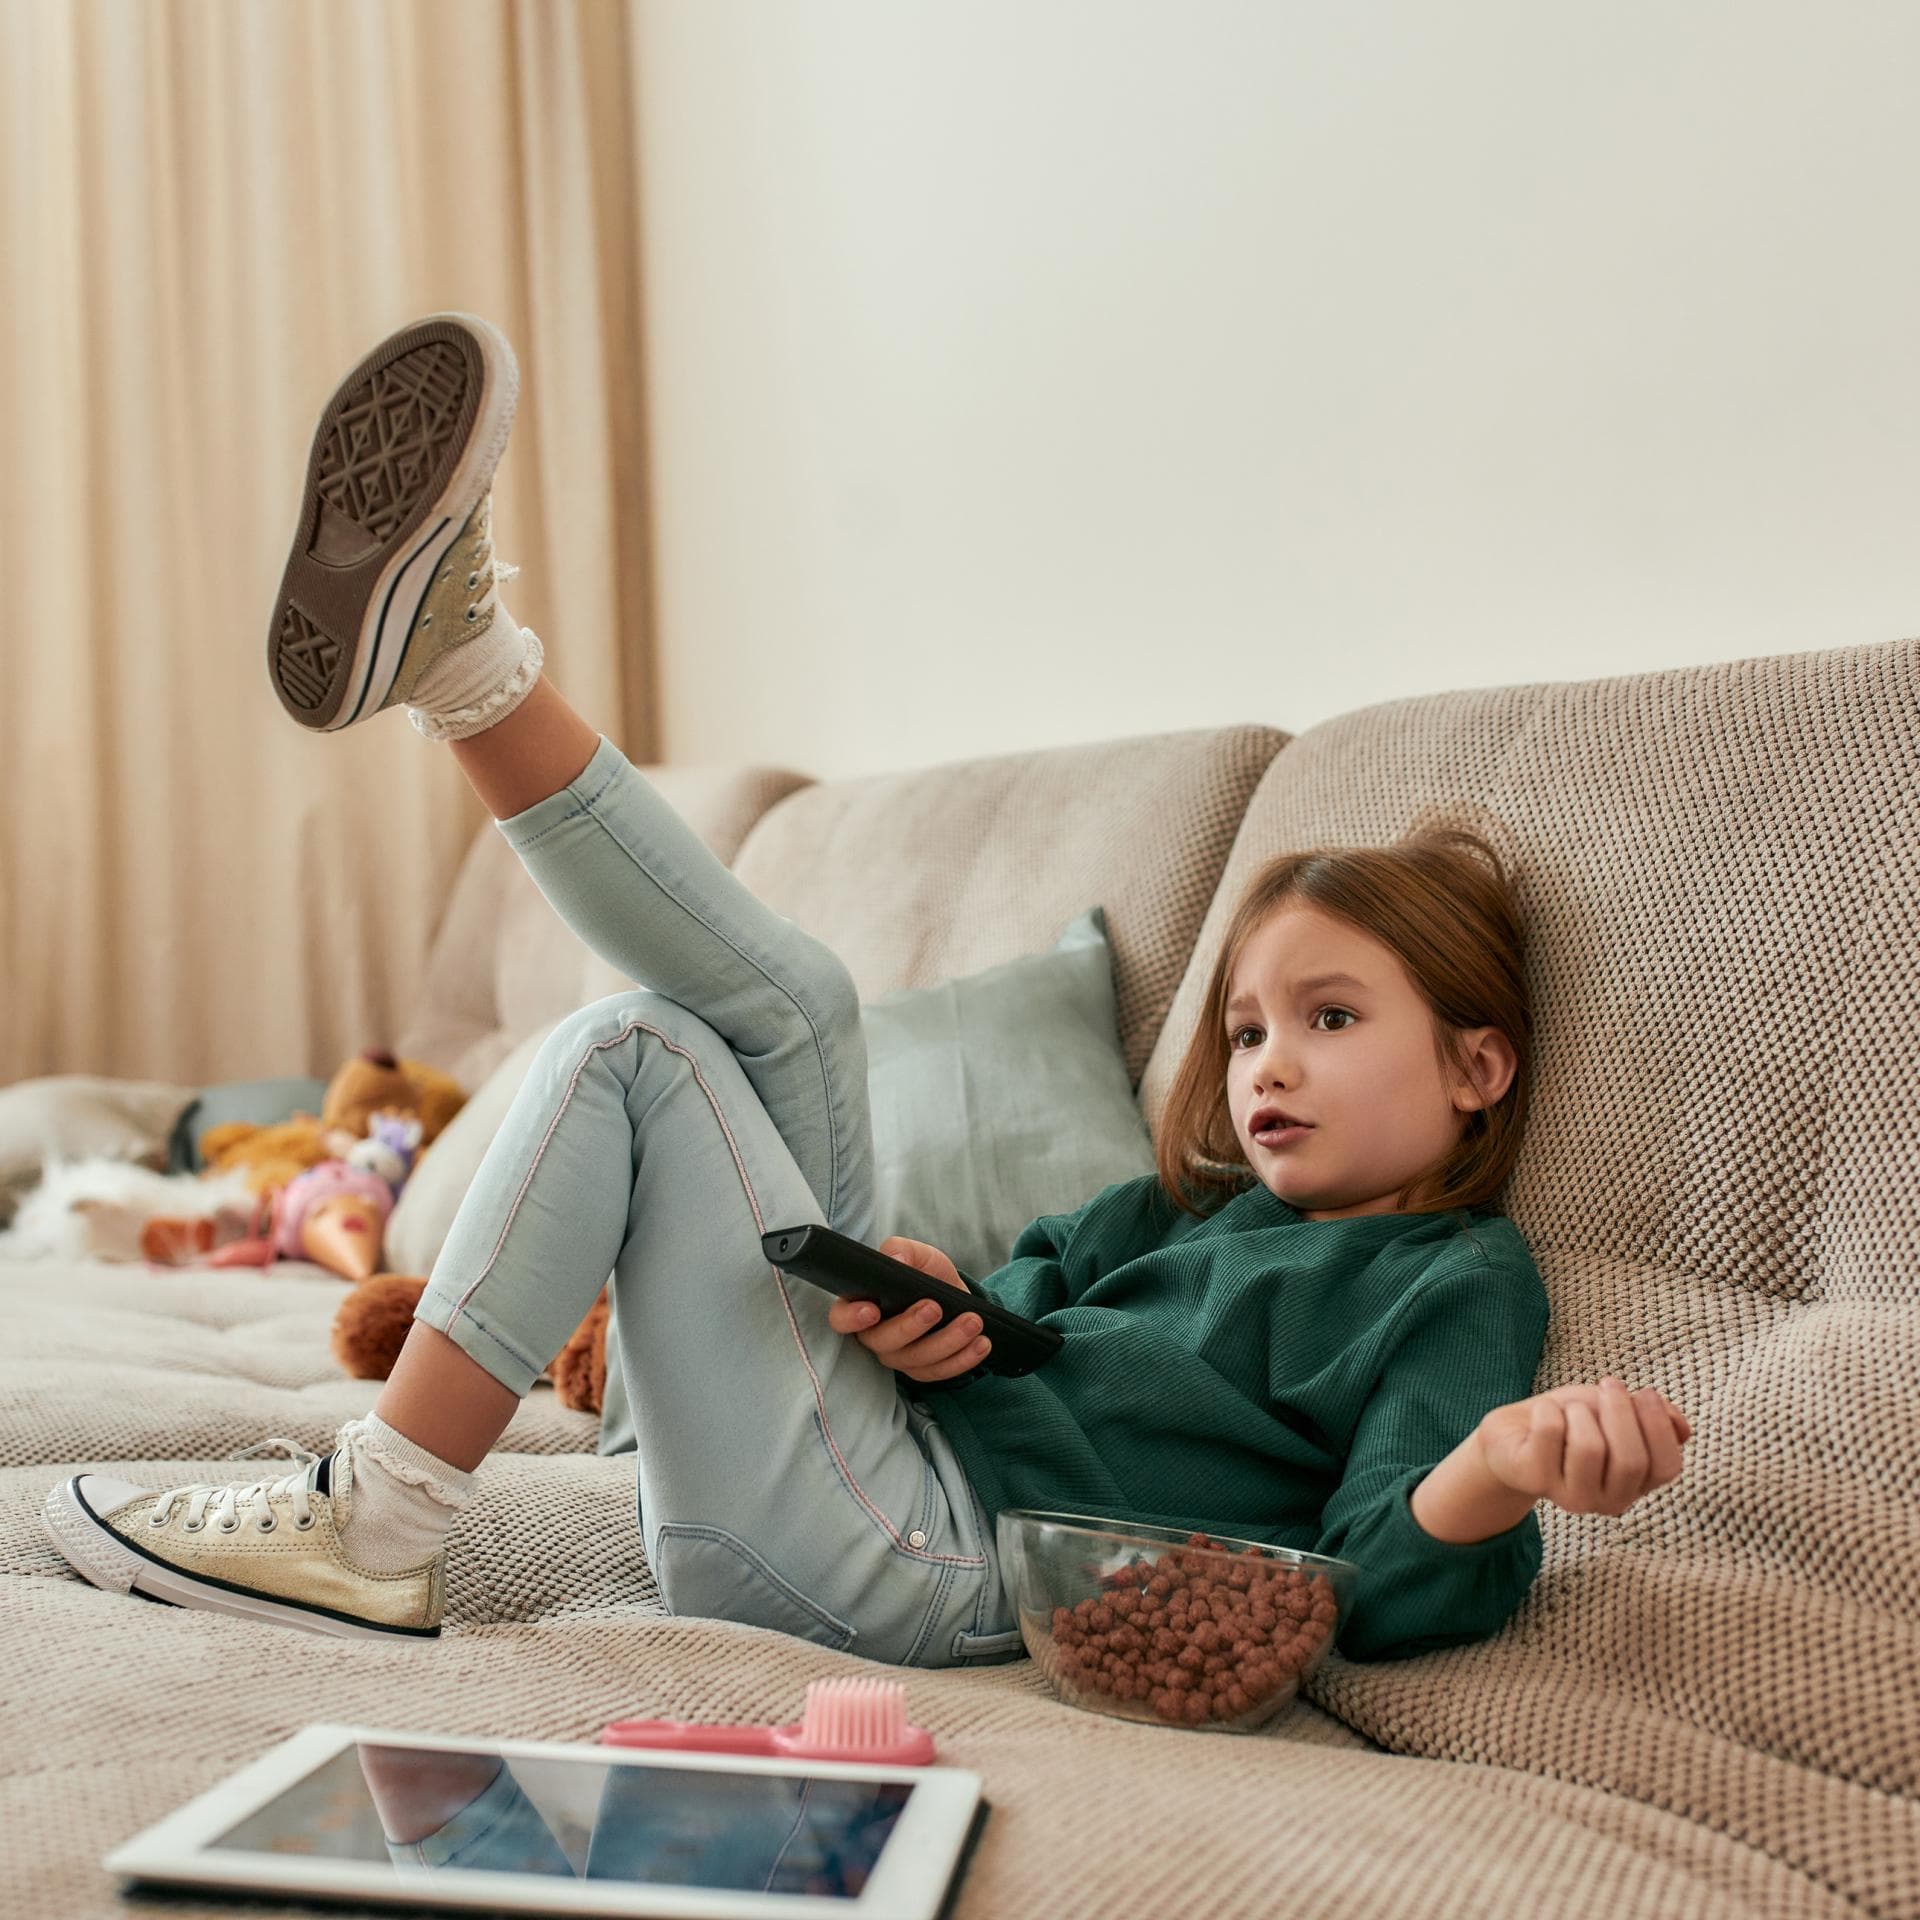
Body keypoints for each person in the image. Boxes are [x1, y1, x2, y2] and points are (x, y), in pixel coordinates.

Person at [42, 313, 1690, 1670]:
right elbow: (1006, 1314)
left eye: (1331, 1020)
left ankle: (378, 1521)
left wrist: (1499, 1471)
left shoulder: (1449, 1283)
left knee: (639, 1052)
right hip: (860, 1462)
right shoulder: (1171, 1218)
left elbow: (1376, 1582)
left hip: (934, 1562)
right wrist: (928, 1304)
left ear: (1481, 1068)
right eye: (1250, 1024)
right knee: (763, 1017)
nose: (1265, 1060)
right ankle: (465, 657)